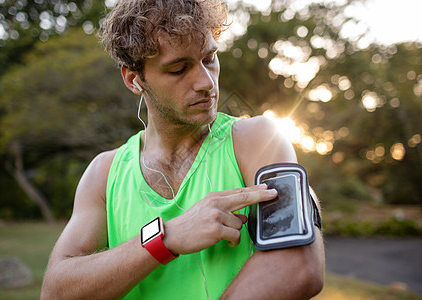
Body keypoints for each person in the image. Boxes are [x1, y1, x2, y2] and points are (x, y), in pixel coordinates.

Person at [41, 0, 325, 299]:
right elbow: (56, 291)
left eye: (210, 58)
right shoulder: (104, 173)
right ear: (134, 79)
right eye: (179, 69)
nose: (206, 82)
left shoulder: (255, 139)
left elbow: (299, 266)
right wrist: (167, 238)